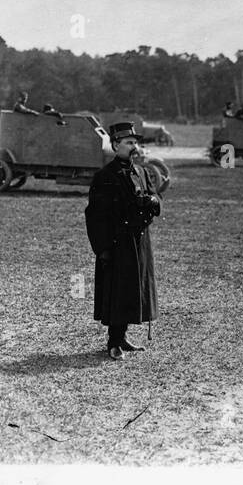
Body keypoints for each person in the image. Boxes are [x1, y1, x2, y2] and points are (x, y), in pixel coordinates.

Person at [84, 122, 160, 360]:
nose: (133, 146)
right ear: (116, 145)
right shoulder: (105, 176)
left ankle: (123, 337)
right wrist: (103, 249)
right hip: (118, 243)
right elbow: (95, 216)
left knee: (133, 290)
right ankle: (113, 342)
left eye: (135, 142)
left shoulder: (141, 172)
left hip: (139, 241)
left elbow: (155, 195)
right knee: (117, 291)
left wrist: (154, 203)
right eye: (128, 142)